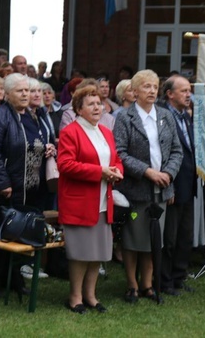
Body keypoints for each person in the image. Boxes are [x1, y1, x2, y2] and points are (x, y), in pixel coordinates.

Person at [0, 73, 56, 298]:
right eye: (20, 91)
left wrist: (48, 149)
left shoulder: (33, 117)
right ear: (8, 93)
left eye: (28, 91)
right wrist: (2, 183)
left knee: (22, 235)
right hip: (4, 189)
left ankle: (13, 279)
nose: (26, 94)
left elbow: (37, 143)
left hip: (31, 189)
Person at [113, 69, 182, 304]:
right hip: (136, 190)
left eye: (155, 86)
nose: (152, 90)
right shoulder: (125, 117)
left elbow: (176, 150)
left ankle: (147, 284)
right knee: (134, 239)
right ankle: (132, 284)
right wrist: (147, 172)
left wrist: (168, 174)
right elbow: (119, 152)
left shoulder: (165, 116)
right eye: (146, 87)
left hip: (161, 189)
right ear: (134, 91)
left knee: (154, 239)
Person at [57, 86, 123, 314]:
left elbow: (115, 159)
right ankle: (75, 297)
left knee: (98, 252)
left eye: (100, 103)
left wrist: (117, 171)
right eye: (91, 104)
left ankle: (91, 295)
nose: (98, 107)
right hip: (80, 202)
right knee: (80, 253)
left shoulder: (105, 131)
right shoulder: (71, 132)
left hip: (103, 202)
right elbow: (65, 165)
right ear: (79, 108)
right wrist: (100, 172)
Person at [159, 75, 196, 295]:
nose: (188, 94)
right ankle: (165, 281)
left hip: (188, 185)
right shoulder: (164, 117)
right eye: (183, 91)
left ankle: (178, 277)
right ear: (170, 94)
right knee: (169, 238)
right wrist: (168, 185)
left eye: (189, 90)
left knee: (185, 236)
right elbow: (164, 154)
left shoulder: (186, 117)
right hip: (173, 185)